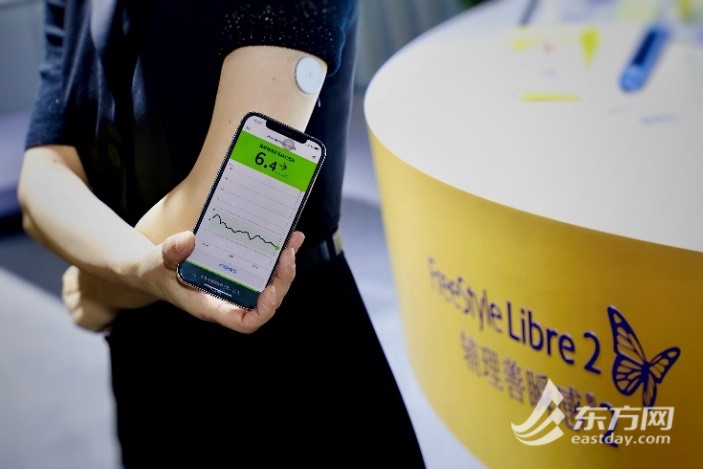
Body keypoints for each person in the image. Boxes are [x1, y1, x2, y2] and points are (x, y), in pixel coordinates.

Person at [18, 0, 426, 467]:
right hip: (148, 364)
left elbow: (225, 202)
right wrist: (126, 272)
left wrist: (101, 285)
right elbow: (41, 178)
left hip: (286, 360)